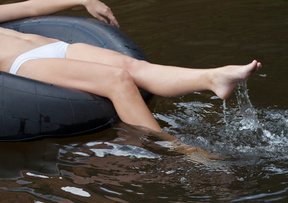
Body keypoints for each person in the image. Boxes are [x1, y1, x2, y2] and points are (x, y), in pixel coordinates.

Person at [0, 0, 262, 134]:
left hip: (53, 46)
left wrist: (82, 0)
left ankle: (212, 78)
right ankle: (175, 150)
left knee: (132, 66)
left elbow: (28, 6)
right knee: (117, 79)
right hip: (24, 66)